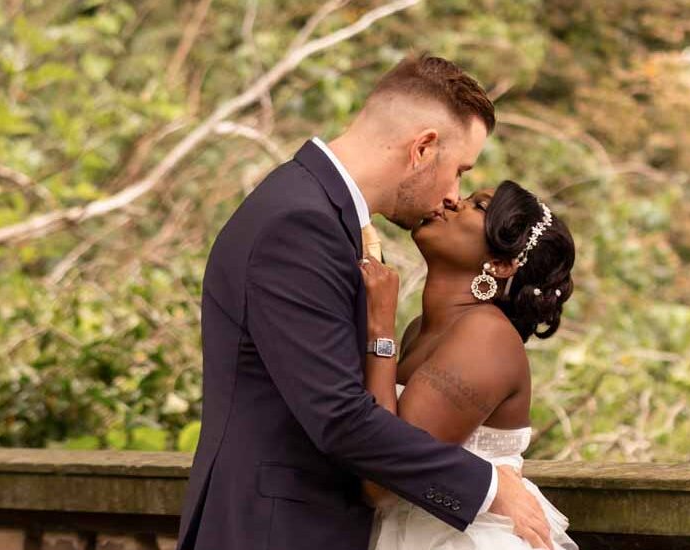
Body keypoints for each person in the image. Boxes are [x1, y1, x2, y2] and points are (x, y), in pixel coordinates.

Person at [176, 54, 555, 550]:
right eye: (459, 171)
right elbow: (339, 416)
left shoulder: (307, 207)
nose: (451, 195)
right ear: (422, 149)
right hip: (274, 531)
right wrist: (486, 486)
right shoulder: (301, 224)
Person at [360, 181, 578, 550]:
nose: (450, 200)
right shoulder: (420, 329)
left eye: (477, 206)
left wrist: (381, 330)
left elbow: (382, 481)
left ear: (502, 264)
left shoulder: (486, 337)